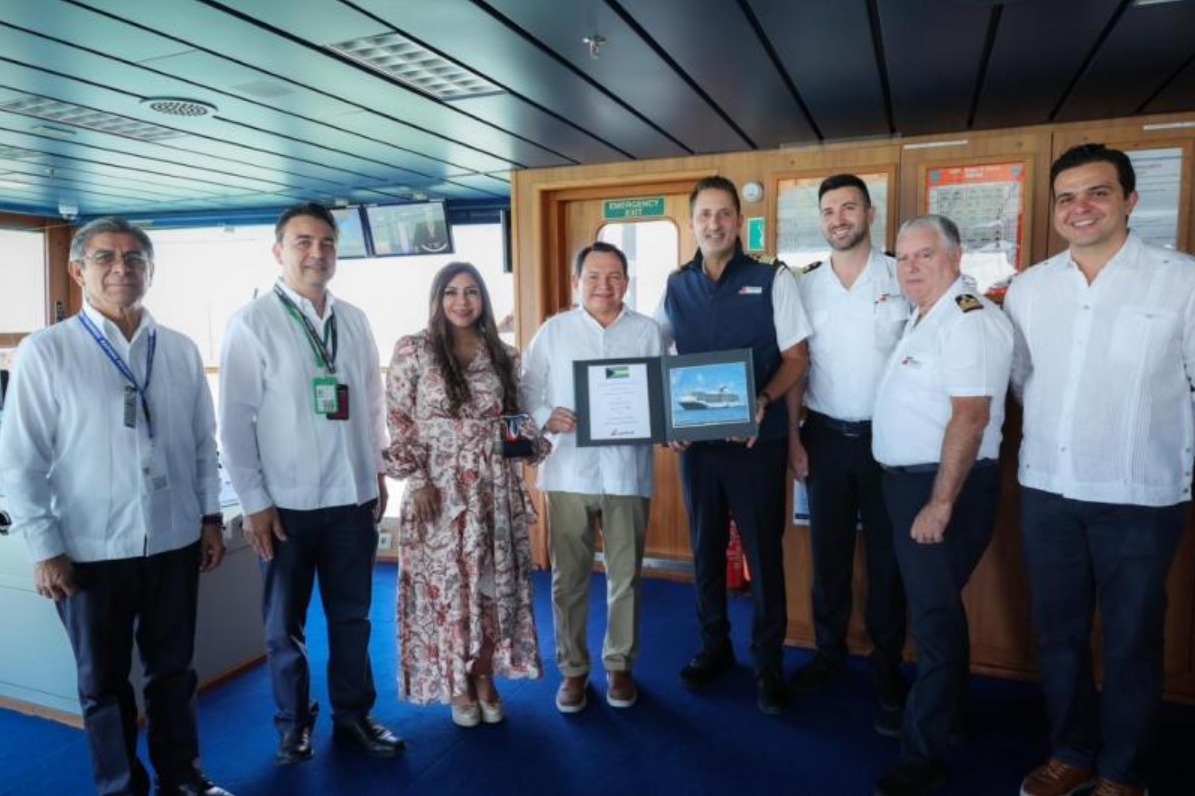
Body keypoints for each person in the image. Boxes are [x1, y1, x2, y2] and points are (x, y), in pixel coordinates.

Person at [0, 217, 232, 796]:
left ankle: (183, 776)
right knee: (102, 683)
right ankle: (120, 786)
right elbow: (21, 460)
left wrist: (209, 518)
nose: (121, 268)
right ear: (78, 271)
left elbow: (202, 446)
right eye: (105, 257)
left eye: (134, 258)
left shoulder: (178, 349)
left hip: (173, 539)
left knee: (173, 671)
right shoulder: (46, 351)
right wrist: (45, 548)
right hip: (89, 548)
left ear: (151, 270)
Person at [1005, 144, 1195, 796]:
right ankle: (1071, 753)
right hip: (1047, 491)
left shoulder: (1181, 280)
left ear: (1129, 200)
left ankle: (1121, 772)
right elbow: (1022, 381)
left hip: (1140, 493)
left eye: (1097, 192)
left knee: (1131, 639)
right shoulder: (1029, 288)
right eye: (1066, 197)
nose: (1079, 208)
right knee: (1057, 635)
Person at [219, 202, 403, 764]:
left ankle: (354, 714)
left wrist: (376, 470)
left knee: (353, 618)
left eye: (326, 243)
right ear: (279, 251)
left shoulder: (355, 319)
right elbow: (234, 422)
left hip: (351, 497)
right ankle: (293, 723)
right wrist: (254, 503)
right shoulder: (251, 322)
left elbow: (373, 403)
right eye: (303, 242)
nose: (316, 253)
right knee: (284, 627)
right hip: (286, 505)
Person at [656, 175, 811, 714]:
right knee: (705, 549)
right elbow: (658, 355)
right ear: (692, 223)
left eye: (724, 214)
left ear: (739, 222)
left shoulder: (772, 278)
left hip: (756, 442)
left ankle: (768, 664)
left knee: (763, 554)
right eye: (705, 215)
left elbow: (797, 357)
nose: (715, 224)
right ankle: (714, 647)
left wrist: (763, 400)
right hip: (698, 447)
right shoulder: (676, 285)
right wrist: (667, 419)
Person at [871, 214, 1012, 796]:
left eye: (924, 255)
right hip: (910, 484)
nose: (910, 267)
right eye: (903, 258)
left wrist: (940, 502)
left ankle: (922, 755)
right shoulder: (924, 314)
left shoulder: (968, 320)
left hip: (943, 487)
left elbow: (971, 417)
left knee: (932, 618)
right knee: (939, 610)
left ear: (955, 258)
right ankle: (951, 718)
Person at [384, 261, 545, 727]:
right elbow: (399, 420)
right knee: (449, 590)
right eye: (451, 291)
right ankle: (456, 683)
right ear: (437, 298)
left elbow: (512, 421)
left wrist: (539, 436)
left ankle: (484, 676)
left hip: (493, 488)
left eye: (471, 292)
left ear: (483, 300)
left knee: (490, 586)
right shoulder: (413, 349)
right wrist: (417, 480)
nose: (461, 301)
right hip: (438, 490)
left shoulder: (504, 355)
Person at [788, 174, 911, 733]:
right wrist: (794, 439)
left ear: (870, 213)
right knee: (828, 556)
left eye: (848, 208)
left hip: (891, 442)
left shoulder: (901, 275)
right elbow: (797, 367)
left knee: (888, 561)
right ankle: (829, 653)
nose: (838, 219)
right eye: (829, 211)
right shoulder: (804, 285)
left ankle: (887, 665)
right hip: (825, 438)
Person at [520, 241, 663, 713]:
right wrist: (546, 414)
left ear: (627, 281)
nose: (605, 285)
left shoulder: (647, 332)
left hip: (628, 473)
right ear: (576, 282)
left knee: (626, 577)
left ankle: (620, 664)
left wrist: (668, 422)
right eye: (594, 277)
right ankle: (573, 669)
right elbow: (525, 387)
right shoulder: (554, 331)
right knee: (569, 578)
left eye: (615, 276)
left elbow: (662, 393)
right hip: (569, 472)